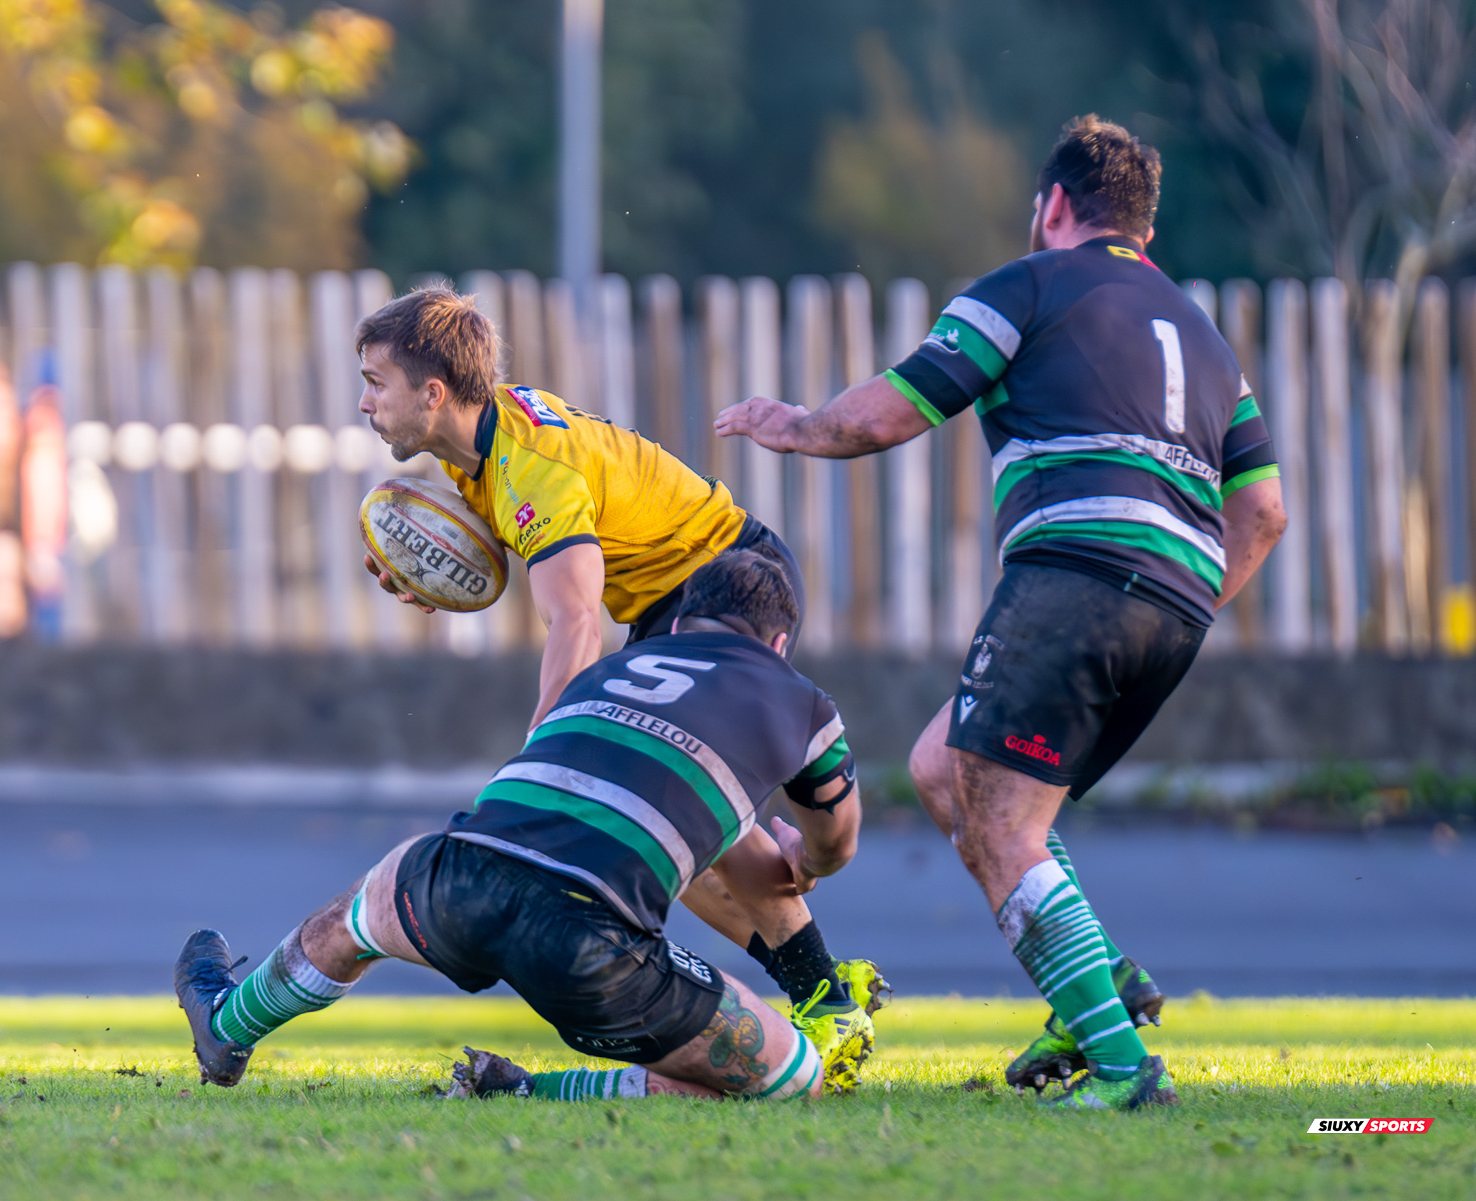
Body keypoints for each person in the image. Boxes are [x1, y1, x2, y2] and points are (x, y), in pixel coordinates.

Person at [715, 115, 1287, 1110]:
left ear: (1053, 205)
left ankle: (1121, 1070)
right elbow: (1266, 512)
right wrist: (1179, 592)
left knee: (1007, 822)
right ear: (1143, 232)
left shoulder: (1025, 286)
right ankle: (1099, 986)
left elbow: (890, 411)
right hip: (1183, 603)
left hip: (1077, 569)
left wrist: (790, 424)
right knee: (946, 765)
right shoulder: (1207, 341)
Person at [353, 286, 885, 1081]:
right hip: (676, 597)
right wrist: (434, 570)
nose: (363, 402)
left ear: (432, 394)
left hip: (725, 586)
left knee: (657, 803)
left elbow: (576, 624)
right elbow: (520, 551)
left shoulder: (527, 465)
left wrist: (542, 764)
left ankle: (825, 998)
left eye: (374, 381)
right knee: (667, 819)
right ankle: (826, 992)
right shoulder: (482, 446)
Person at [174, 551, 864, 1100]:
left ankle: (229, 1023)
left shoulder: (612, 669)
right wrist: (808, 859)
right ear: (779, 643)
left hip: (456, 881)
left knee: (368, 904)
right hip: (591, 947)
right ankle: (528, 1091)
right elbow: (837, 840)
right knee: (794, 1075)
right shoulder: (802, 702)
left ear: (681, 624)